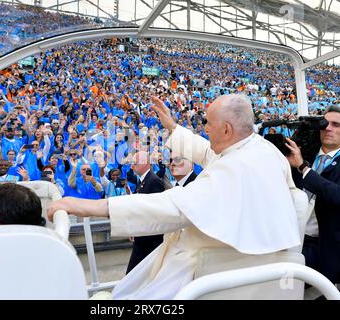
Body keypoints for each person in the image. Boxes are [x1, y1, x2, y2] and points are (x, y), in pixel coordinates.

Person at [47, 94, 301, 299]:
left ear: (225, 129)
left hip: (205, 268)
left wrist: (88, 207)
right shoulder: (259, 148)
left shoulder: (237, 165)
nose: (204, 129)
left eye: (208, 124)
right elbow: (209, 153)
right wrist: (173, 128)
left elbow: (174, 208)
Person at [285, 105, 340, 284]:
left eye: (336, 125)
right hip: (297, 240)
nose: (328, 128)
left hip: (332, 247)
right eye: (325, 124)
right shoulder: (302, 155)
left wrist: (302, 167)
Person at [125, 151, 166, 274]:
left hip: (150, 241)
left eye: (135, 163)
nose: (132, 166)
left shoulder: (153, 181)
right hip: (143, 237)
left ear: (144, 163)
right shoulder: (144, 181)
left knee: (134, 275)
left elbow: (156, 213)